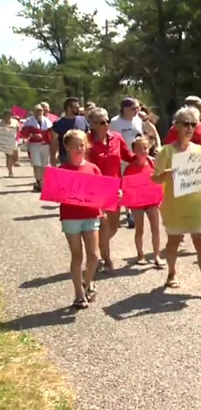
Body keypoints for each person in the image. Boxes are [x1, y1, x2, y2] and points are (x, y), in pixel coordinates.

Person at [153, 106, 201, 300]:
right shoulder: (166, 151)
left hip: (198, 204)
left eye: (193, 124)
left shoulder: (200, 150)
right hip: (175, 206)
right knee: (173, 243)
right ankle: (172, 272)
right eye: (186, 124)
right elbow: (154, 178)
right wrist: (165, 175)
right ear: (176, 126)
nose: (190, 128)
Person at [58, 129, 103, 309]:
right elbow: (56, 193)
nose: (79, 148)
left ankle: (88, 282)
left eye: (82, 144)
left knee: (94, 255)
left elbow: (103, 191)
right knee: (77, 255)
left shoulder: (93, 168)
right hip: (71, 217)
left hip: (91, 214)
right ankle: (78, 293)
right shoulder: (62, 170)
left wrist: (116, 195)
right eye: (75, 145)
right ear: (67, 147)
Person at [87, 107, 133, 272]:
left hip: (115, 188)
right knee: (104, 224)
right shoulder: (86, 141)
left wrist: (144, 156)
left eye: (107, 120)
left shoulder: (116, 138)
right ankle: (106, 259)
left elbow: (128, 156)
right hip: (95, 189)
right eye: (101, 122)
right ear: (92, 124)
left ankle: (98, 247)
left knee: (113, 226)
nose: (106, 124)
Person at [124, 135, 163, 268]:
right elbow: (126, 186)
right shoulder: (130, 168)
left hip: (152, 201)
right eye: (140, 149)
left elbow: (159, 181)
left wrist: (160, 198)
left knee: (155, 229)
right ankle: (140, 255)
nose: (143, 151)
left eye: (145, 148)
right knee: (139, 230)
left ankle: (157, 255)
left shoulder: (153, 163)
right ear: (134, 150)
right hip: (137, 203)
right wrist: (128, 205)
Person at [110, 97, 145, 229]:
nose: (137, 111)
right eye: (134, 108)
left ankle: (134, 208)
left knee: (135, 185)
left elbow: (146, 135)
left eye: (138, 108)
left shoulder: (139, 120)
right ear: (124, 109)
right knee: (124, 186)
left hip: (136, 158)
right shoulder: (115, 122)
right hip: (122, 159)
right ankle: (128, 212)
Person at [20, 104, 53, 192]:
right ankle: (39, 181)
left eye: (40, 110)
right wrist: (33, 135)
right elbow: (23, 133)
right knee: (37, 164)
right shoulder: (29, 121)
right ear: (34, 111)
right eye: (37, 110)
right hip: (34, 145)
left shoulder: (47, 121)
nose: (39, 112)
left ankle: (43, 182)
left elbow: (51, 133)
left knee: (45, 164)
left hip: (45, 145)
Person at [51, 97, 89, 165]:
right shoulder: (59, 123)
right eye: (76, 108)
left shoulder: (83, 120)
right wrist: (53, 158)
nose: (78, 109)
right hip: (66, 157)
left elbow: (88, 136)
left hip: (82, 156)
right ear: (69, 108)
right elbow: (54, 142)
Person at [2, 109, 20, 177]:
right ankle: (10, 172)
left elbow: (18, 129)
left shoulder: (15, 121)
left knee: (15, 157)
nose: (9, 116)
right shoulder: (1, 122)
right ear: (4, 115)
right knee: (9, 156)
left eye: (10, 114)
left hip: (13, 141)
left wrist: (18, 129)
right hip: (5, 142)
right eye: (7, 114)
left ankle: (13, 163)